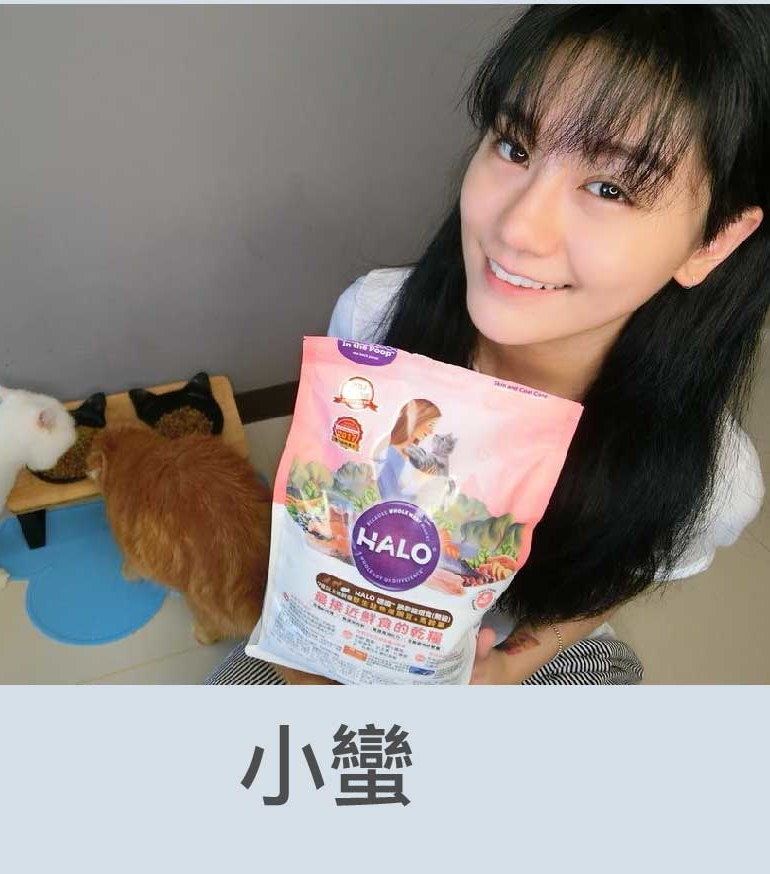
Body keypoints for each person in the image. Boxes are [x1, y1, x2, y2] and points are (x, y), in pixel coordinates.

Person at [207, 5, 767, 685]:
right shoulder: (373, 317)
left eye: (610, 188)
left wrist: (511, 665)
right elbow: (323, 498)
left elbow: (627, 574)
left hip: (521, 629)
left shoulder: (713, 477)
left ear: (713, 242)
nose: (517, 228)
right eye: (515, 147)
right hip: (356, 607)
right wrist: (316, 639)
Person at [374, 398, 442, 502]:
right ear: (417, 420)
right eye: (430, 425)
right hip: (397, 511)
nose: (431, 431)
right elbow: (390, 498)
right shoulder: (389, 454)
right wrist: (419, 481)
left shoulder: (415, 455)